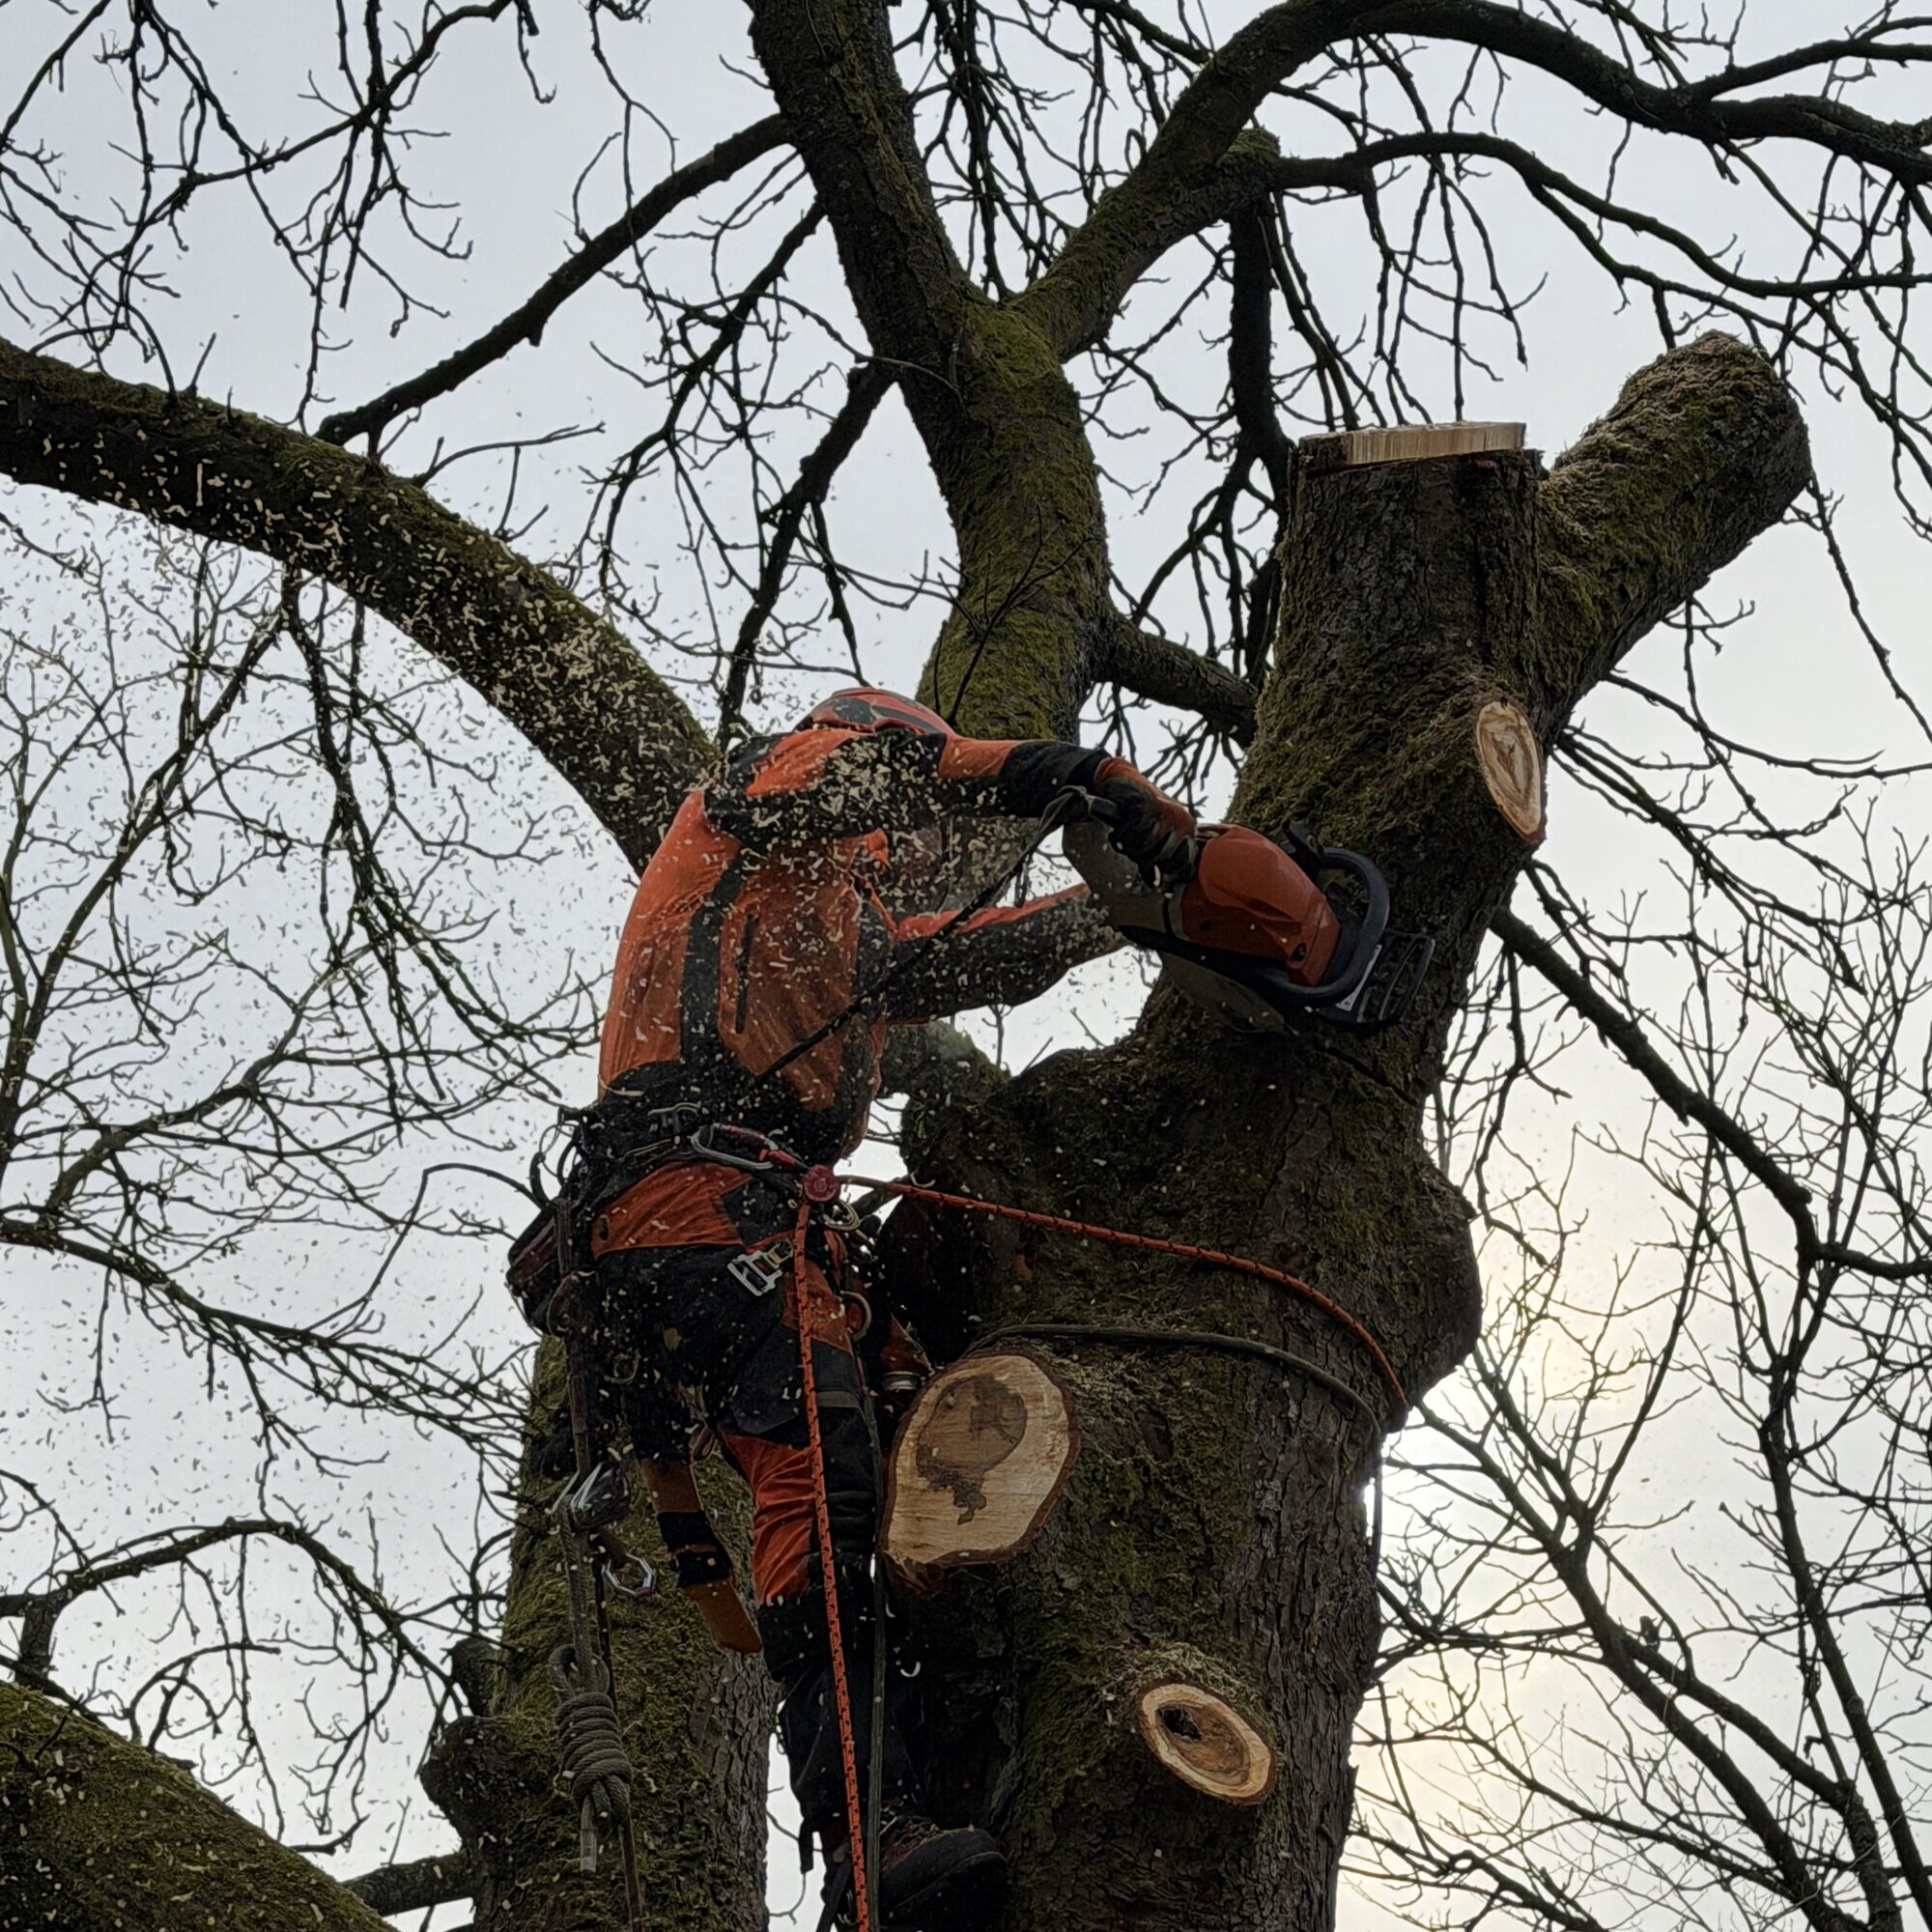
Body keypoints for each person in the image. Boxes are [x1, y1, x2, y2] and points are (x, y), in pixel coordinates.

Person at [582, 686, 1193, 1929]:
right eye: (918, 807)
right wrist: (1069, 774)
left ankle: (904, 1787)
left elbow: (979, 950)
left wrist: (1131, 908)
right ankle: (872, 1837)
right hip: (696, 1206)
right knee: (823, 1486)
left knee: (895, 1453)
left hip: (727, 1217)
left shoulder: (832, 916)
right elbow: (876, 778)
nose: (925, 850)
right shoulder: (765, 797)